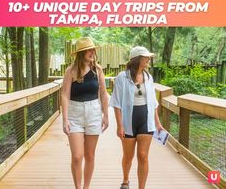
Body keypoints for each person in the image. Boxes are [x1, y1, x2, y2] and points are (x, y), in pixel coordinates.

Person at [110, 46, 163, 189]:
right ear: (138, 59)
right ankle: (125, 180)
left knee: (143, 155)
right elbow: (116, 103)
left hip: (146, 120)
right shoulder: (122, 77)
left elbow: (153, 103)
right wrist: (120, 125)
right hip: (128, 122)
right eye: (146, 57)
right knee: (128, 156)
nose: (148, 59)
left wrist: (157, 123)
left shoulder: (148, 77)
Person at [62, 37, 109, 189]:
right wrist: (65, 119)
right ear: (81, 53)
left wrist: (106, 115)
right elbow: (64, 95)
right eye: (88, 50)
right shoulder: (71, 71)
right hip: (74, 114)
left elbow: (103, 93)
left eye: (93, 49)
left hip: (94, 112)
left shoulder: (98, 70)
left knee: (90, 155)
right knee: (77, 156)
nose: (92, 52)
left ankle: (86, 187)